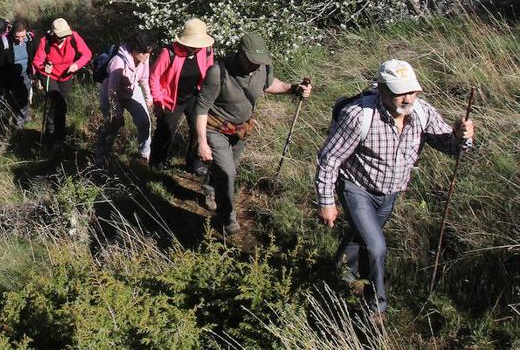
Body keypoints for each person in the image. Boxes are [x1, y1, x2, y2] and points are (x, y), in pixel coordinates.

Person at [316, 59, 474, 319]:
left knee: (362, 237)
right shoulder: (359, 115)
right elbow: (329, 158)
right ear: (382, 89)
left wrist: (461, 136)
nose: (408, 98)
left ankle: (336, 276)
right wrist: (327, 201)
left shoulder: (422, 113)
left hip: (390, 194)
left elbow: (450, 147)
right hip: (356, 189)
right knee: (377, 248)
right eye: (400, 91)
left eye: (412, 91)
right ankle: (376, 307)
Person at [195, 33, 312, 235]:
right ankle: (227, 219)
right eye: (252, 61)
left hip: (241, 130)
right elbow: (202, 107)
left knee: (227, 170)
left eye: (259, 62)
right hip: (216, 129)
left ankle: (210, 190)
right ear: (241, 55)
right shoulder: (218, 72)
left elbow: (270, 84)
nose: (256, 66)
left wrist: (293, 88)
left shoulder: (263, 68)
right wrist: (202, 142)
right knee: (228, 173)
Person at [149, 18, 216, 176]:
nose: (195, 48)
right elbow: (154, 77)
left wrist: (209, 96)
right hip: (171, 99)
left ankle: (194, 163)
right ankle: (157, 162)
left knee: (197, 129)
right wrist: (158, 101)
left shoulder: (206, 51)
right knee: (166, 130)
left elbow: (210, 74)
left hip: (194, 96)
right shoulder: (169, 52)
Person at [93, 31, 157, 168]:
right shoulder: (118, 62)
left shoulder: (143, 60)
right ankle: (101, 156)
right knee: (113, 125)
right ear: (134, 50)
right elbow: (112, 90)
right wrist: (117, 113)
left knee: (145, 122)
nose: (147, 56)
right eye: (144, 53)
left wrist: (148, 98)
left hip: (131, 90)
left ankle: (144, 155)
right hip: (111, 94)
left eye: (149, 53)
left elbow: (144, 79)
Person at [32, 18, 92, 148]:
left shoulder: (73, 37)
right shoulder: (45, 41)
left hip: (66, 76)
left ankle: (58, 137)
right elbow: (37, 62)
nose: (63, 38)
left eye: (65, 35)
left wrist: (76, 66)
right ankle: (53, 135)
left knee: (60, 106)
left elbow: (87, 54)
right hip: (49, 76)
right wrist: (43, 68)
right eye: (60, 36)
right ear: (53, 34)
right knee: (58, 102)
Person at [0, 17, 35, 131]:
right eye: (18, 37)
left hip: (25, 75)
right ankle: (8, 121)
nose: (21, 40)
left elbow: (34, 56)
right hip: (8, 78)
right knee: (11, 101)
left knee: (25, 99)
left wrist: (34, 73)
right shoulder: (3, 43)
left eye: (23, 36)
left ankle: (19, 125)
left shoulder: (30, 40)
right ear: (12, 33)